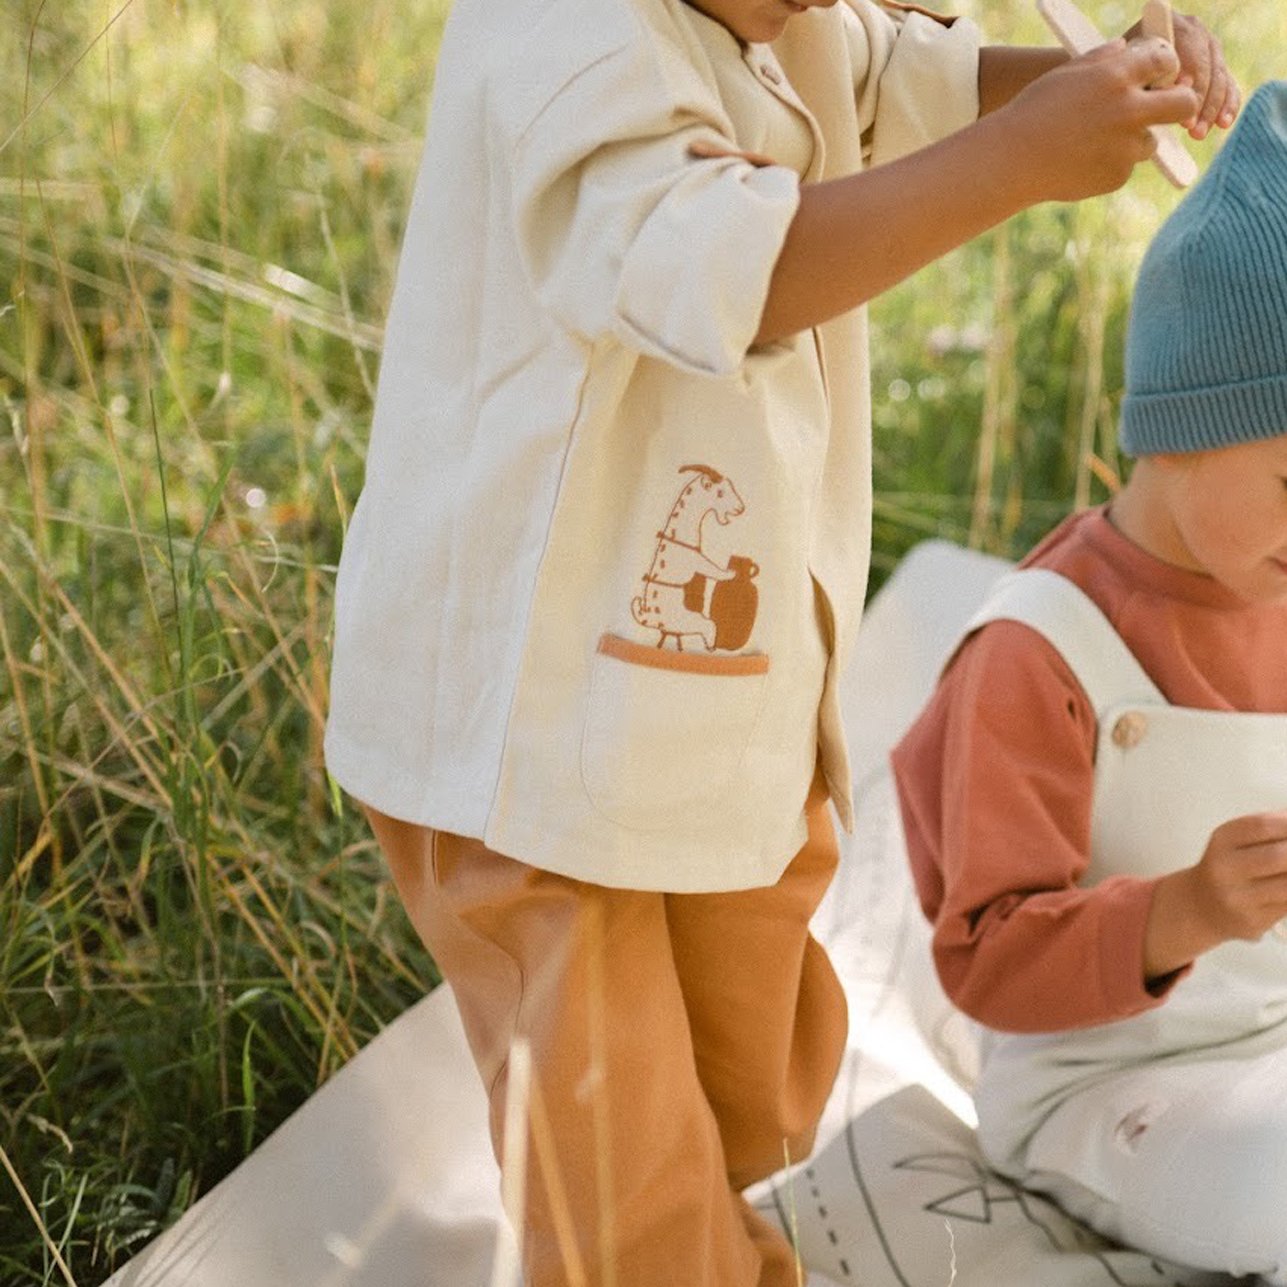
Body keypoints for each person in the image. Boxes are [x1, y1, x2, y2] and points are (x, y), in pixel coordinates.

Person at [323, 0, 1237, 1281]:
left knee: (750, 1075)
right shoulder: (560, 38)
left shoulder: (781, 18)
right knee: (616, 1152)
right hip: (514, 734)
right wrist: (1022, 157)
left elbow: (898, 77)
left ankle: (706, 1214)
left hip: (692, 702)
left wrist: (1094, 87)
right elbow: (728, 266)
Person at [893, 79, 1287, 1283]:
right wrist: (1187, 911)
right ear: (1180, 418)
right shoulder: (1040, 651)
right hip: (1109, 1081)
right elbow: (989, 959)